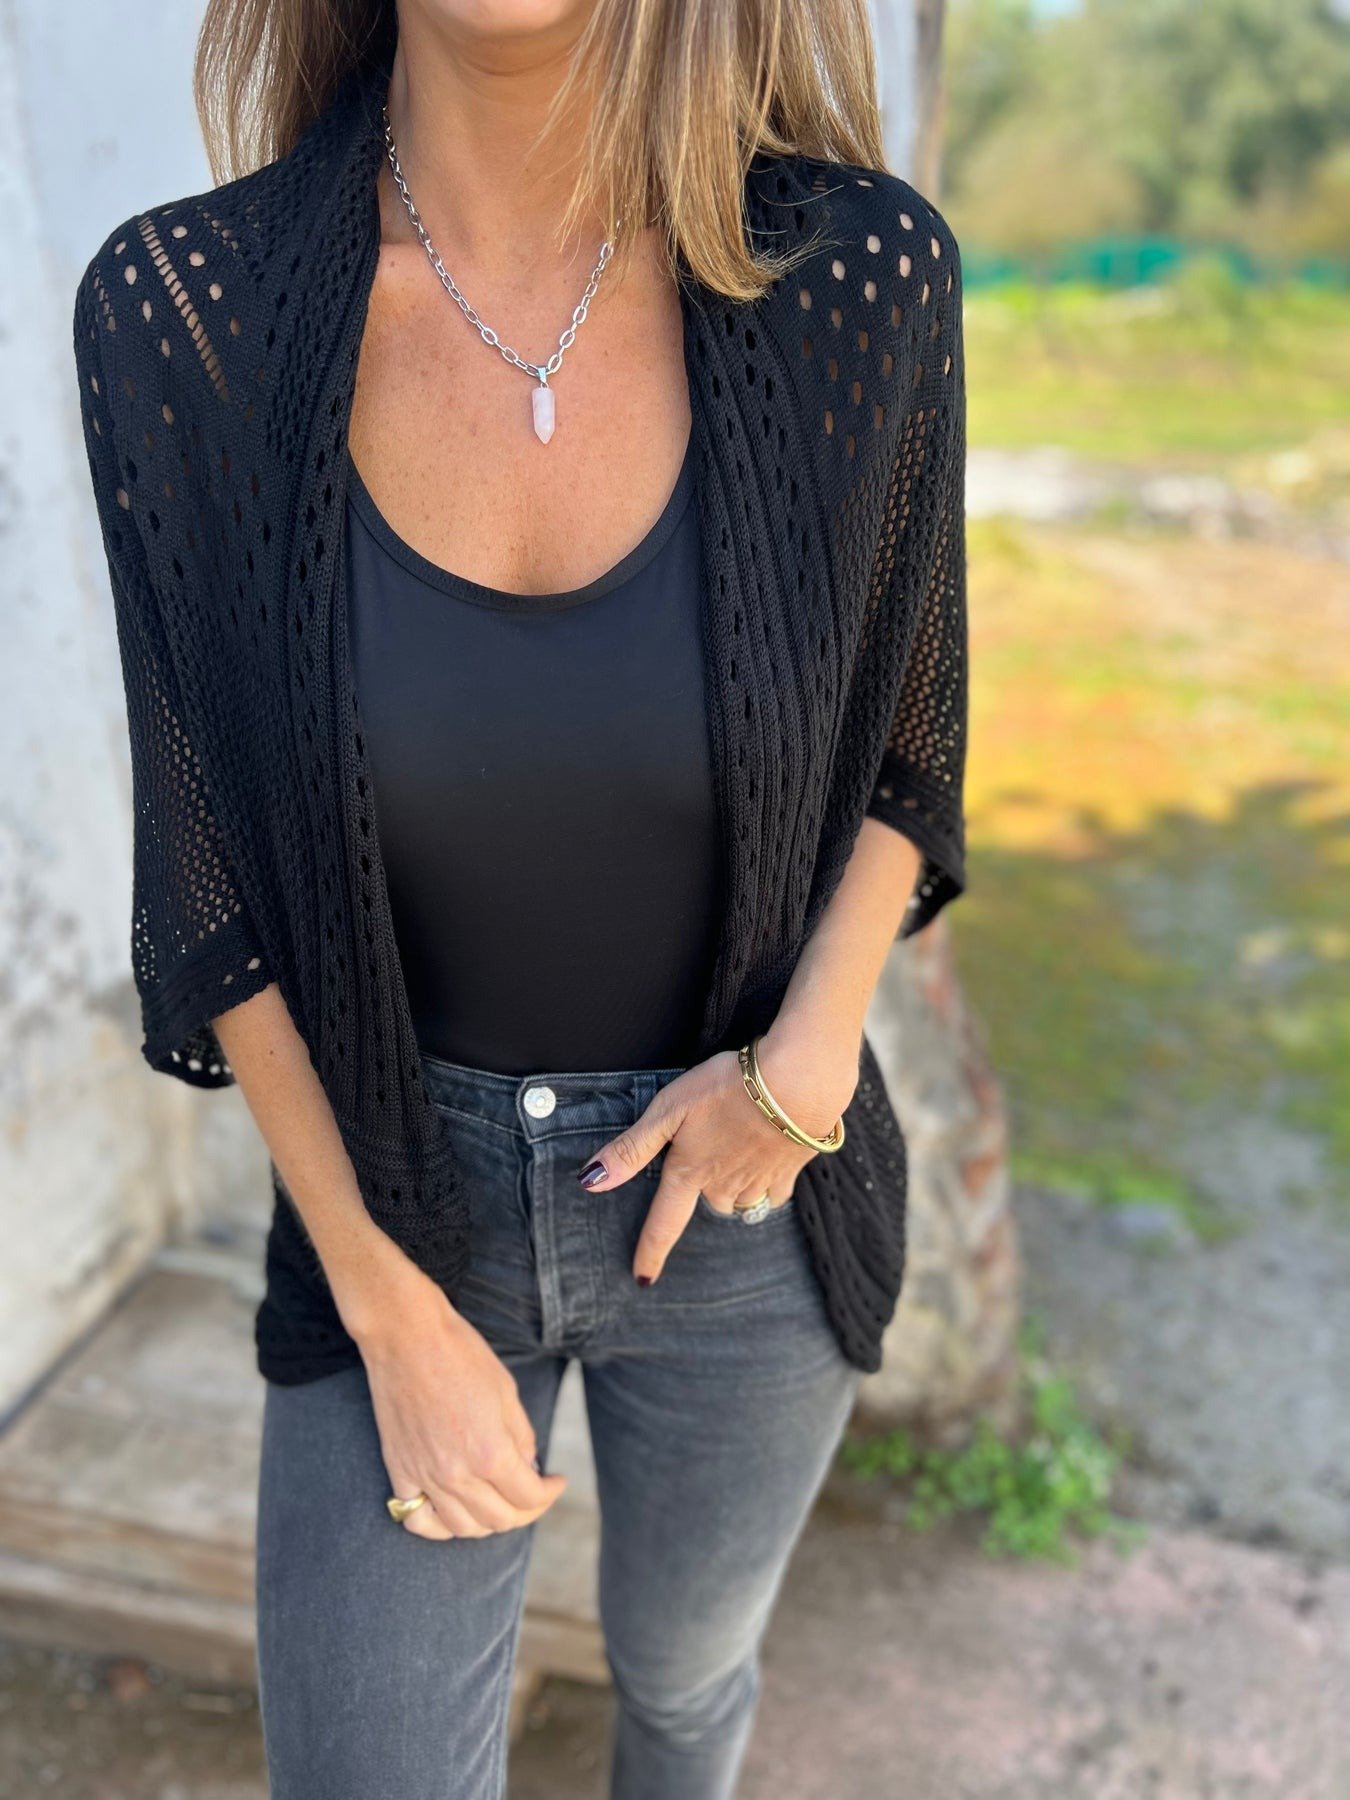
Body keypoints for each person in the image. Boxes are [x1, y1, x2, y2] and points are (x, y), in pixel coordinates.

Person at [71, 1, 968, 1794]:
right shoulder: (187, 316)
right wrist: (382, 1300)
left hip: (745, 1188)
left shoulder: (851, 275)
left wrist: (802, 1064)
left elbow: (908, 746)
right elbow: (209, 877)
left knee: (686, 1681)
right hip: (399, 1202)